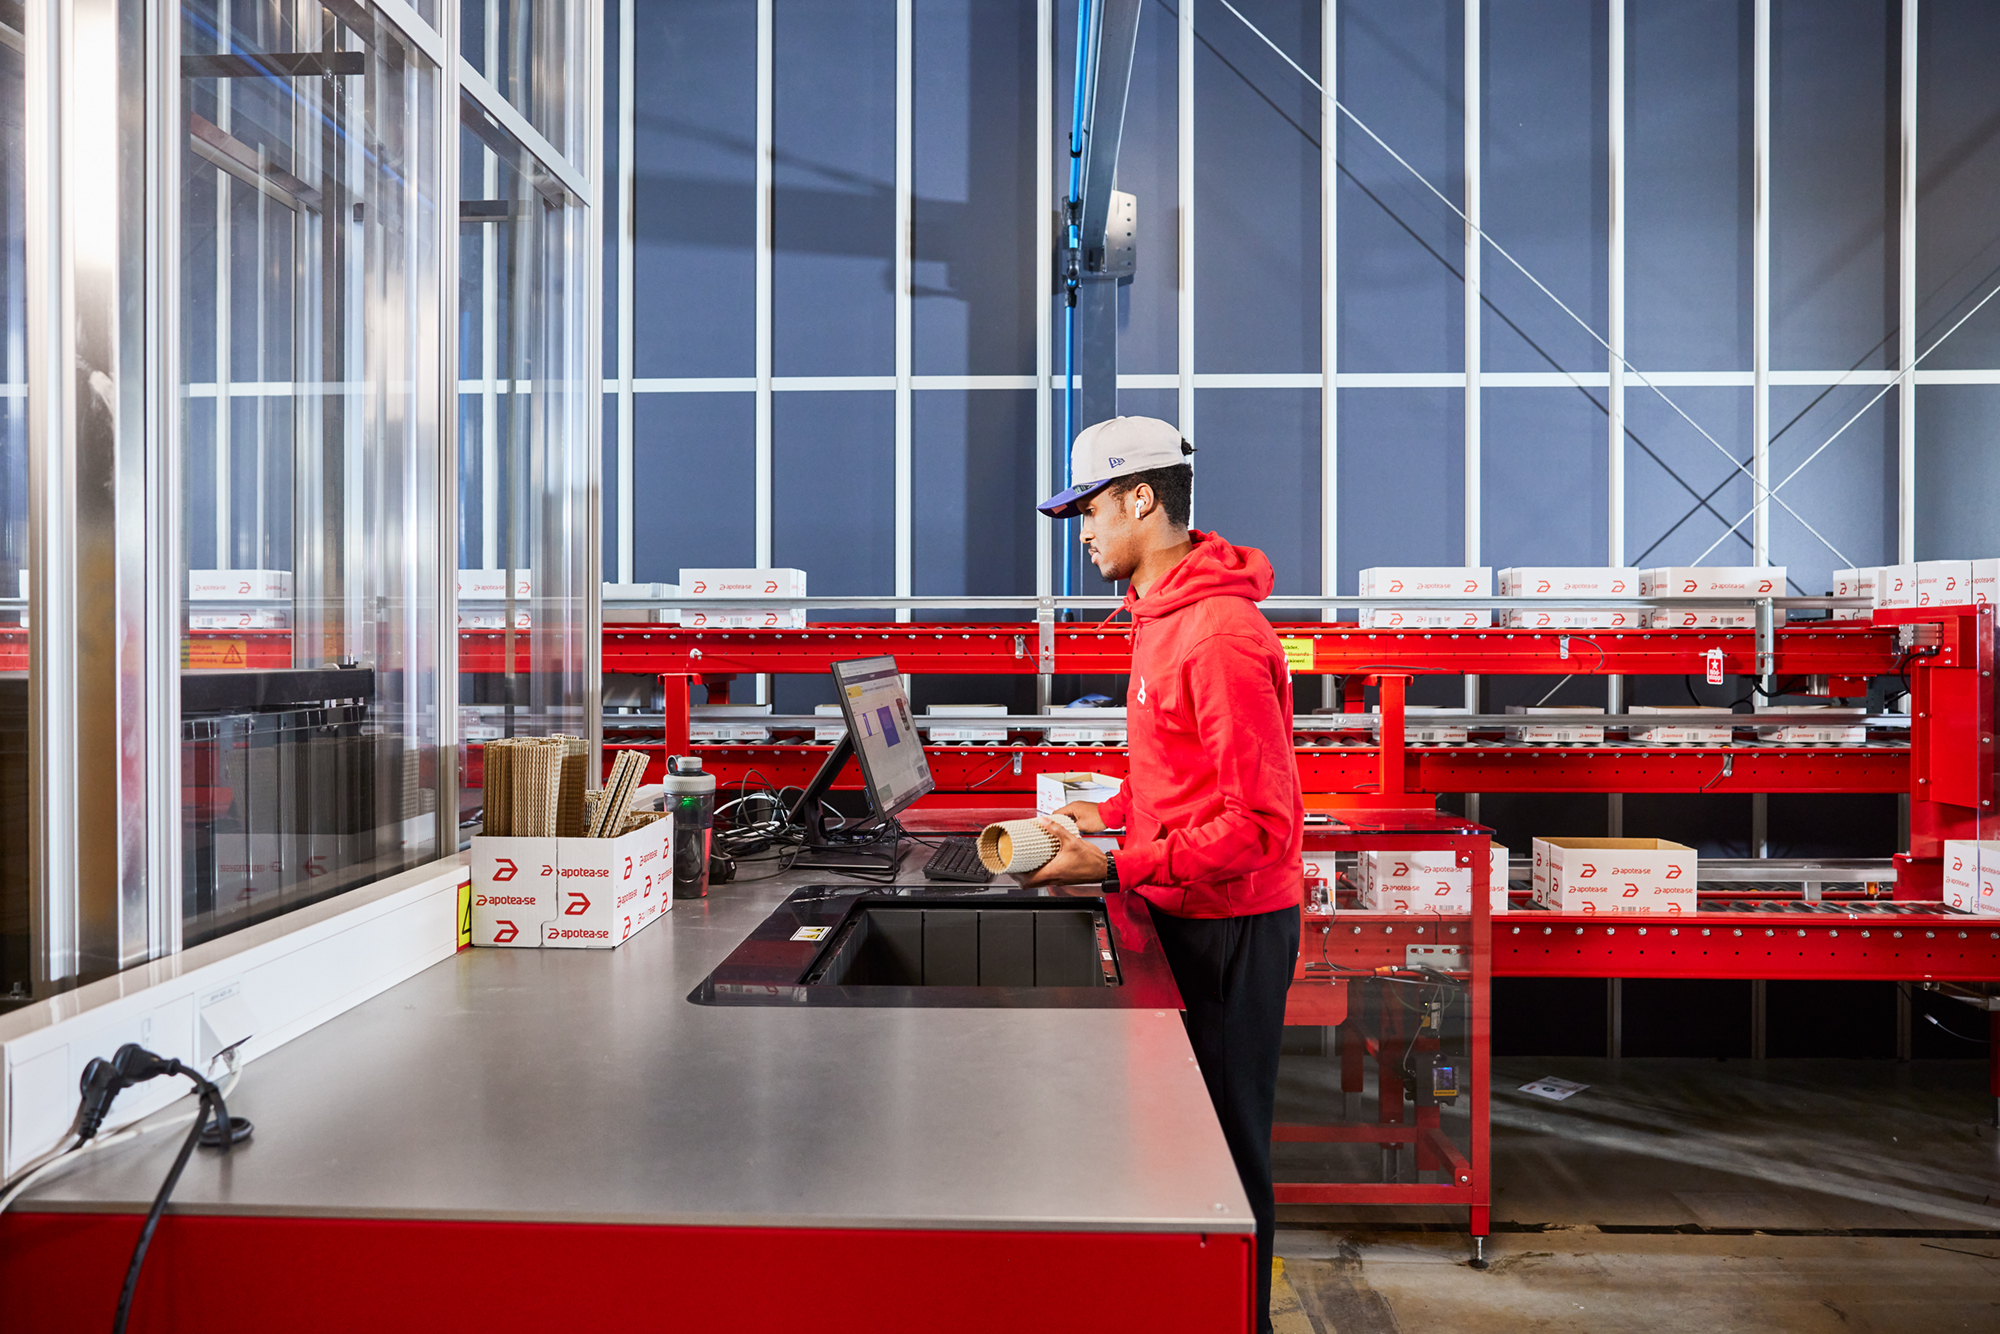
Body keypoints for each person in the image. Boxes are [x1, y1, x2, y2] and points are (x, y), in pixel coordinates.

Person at [1026, 415, 1304, 1334]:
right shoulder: (1160, 616)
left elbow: (1260, 827)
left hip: (1228, 925)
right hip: (1184, 903)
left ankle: (1241, 1323)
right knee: (1190, 1148)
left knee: (1224, 1152)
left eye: (1091, 511)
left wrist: (1113, 861)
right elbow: (1177, 785)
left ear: (1141, 498)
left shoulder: (1216, 635)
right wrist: (1098, 817)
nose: (1085, 532)